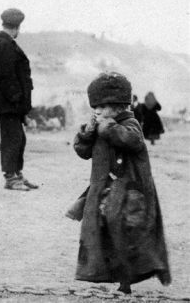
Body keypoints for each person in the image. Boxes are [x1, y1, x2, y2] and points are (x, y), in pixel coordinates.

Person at [71, 72, 171, 294]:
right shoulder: (99, 124)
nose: (96, 111)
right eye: (94, 107)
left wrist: (107, 127)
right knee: (104, 233)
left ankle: (125, 282)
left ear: (117, 107)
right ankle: (112, 276)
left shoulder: (130, 123)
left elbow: (132, 141)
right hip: (105, 190)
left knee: (125, 234)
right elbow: (83, 151)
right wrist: (86, 134)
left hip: (128, 191)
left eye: (102, 106)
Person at [0, 8, 38, 191]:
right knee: (12, 139)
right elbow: (6, 78)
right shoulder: (4, 46)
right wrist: (18, 100)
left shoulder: (5, 44)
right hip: (9, 104)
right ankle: (10, 178)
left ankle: (17, 174)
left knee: (18, 138)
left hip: (12, 104)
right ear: (17, 27)